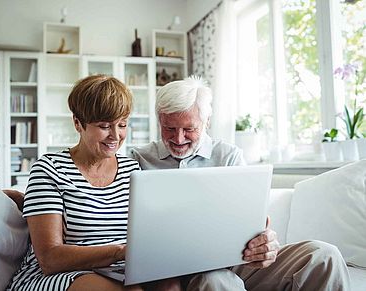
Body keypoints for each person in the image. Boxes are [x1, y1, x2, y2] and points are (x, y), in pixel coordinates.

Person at [130, 76, 351, 291]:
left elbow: (253, 222)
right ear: (160, 120)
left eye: (189, 129)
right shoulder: (138, 160)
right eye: (170, 128)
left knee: (325, 256)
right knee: (216, 281)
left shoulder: (229, 156)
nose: (178, 139)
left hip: (237, 261)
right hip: (174, 271)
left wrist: (266, 243)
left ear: (206, 122)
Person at [6, 75, 179, 291]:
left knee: (170, 285)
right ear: (78, 123)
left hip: (120, 270)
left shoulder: (132, 170)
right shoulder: (49, 170)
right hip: (62, 274)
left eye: (122, 124)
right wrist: (119, 252)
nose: (115, 136)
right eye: (104, 126)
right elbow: (50, 258)